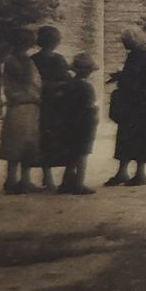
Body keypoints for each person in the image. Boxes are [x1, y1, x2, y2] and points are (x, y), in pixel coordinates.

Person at [105, 25, 146, 187]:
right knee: (127, 136)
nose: (124, 45)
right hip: (133, 101)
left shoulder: (142, 56)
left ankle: (139, 173)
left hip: (139, 102)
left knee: (137, 137)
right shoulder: (138, 54)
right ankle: (123, 172)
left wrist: (125, 80)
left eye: (126, 42)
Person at [0, 27, 43, 195]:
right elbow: (29, 80)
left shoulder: (20, 60)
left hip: (25, 105)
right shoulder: (17, 61)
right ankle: (14, 180)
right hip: (22, 103)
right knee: (19, 144)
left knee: (24, 144)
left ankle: (22, 180)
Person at [51, 53, 99, 194]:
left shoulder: (69, 85)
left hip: (69, 124)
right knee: (82, 155)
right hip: (84, 125)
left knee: (72, 154)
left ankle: (66, 182)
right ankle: (79, 183)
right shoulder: (87, 87)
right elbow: (90, 106)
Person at [30, 25, 70, 192]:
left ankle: (47, 175)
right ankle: (51, 177)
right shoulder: (58, 60)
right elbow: (67, 80)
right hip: (55, 104)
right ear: (56, 42)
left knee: (43, 139)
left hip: (40, 103)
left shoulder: (33, 59)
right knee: (54, 139)